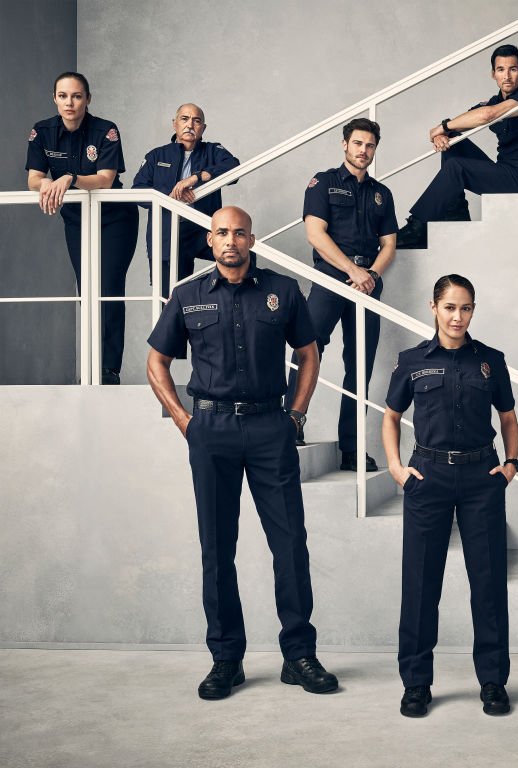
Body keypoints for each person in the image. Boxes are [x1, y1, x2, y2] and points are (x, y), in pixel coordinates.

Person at [146, 206, 338, 699]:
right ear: (210, 241)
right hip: (209, 430)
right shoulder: (188, 296)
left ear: (252, 238)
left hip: (269, 427)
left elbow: (309, 353)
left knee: (290, 544)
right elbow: (157, 362)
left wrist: (295, 415)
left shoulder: (283, 291)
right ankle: (226, 659)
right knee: (217, 548)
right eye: (221, 233)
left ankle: (299, 655)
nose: (230, 240)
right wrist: (186, 422)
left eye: (239, 233)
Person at [382, 274, 518, 718]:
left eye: (465, 308)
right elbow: (390, 417)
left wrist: (511, 464)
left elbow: (509, 419)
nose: (457, 317)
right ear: (434, 307)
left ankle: (494, 681)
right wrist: (396, 469)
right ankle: (416, 684)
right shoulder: (411, 361)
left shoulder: (490, 361)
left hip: (482, 478)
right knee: (421, 585)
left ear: (473, 311)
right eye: (449, 308)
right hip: (429, 478)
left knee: (488, 583)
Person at [285, 118, 398, 472]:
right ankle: (291, 426)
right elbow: (315, 234)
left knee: (360, 365)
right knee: (307, 350)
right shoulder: (323, 183)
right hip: (332, 278)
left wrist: (372, 276)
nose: (364, 151)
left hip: (367, 285)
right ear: (344, 144)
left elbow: (390, 243)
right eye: (358, 144)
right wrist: (353, 271)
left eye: (370, 145)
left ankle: (351, 447)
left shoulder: (382, 193)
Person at [26, 71, 139, 384]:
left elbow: (105, 178)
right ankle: (89, 367)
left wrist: (70, 178)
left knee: (109, 287)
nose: (69, 102)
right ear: (54, 98)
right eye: (63, 96)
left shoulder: (106, 130)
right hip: (77, 219)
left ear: (88, 99)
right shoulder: (42, 131)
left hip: (116, 218)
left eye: (76, 96)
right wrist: (47, 182)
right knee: (86, 287)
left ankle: (108, 370)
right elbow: (33, 178)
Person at [395, 43, 518, 249]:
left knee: (456, 166)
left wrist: (441, 127)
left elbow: (488, 115)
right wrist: (444, 134)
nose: (507, 76)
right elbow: (469, 118)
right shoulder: (493, 101)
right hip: (504, 171)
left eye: (513, 69)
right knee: (455, 142)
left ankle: (418, 227)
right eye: (501, 70)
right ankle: (455, 213)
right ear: (493, 74)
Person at [132, 103, 240, 297]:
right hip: (166, 233)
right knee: (168, 297)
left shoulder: (213, 151)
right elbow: (138, 190)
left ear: (203, 128)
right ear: (175, 124)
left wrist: (197, 177)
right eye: (185, 119)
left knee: (244, 253)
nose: (190, 124)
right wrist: (172, 194)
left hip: (201, 229)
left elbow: (234, 168)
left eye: (196, 121)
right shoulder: (157, 155)